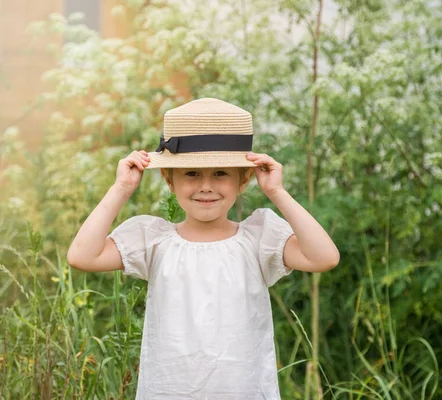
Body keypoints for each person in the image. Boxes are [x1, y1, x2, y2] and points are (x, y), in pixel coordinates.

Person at [67, 98, 340, 399]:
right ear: (169, 180)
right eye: (192, 173)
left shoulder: (258, 239)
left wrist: (277, 191)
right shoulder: (154, 241)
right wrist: (121, 189)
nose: (206, 186)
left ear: (243, 179)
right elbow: (82, 256)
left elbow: (324, 257)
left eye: (221, 173)